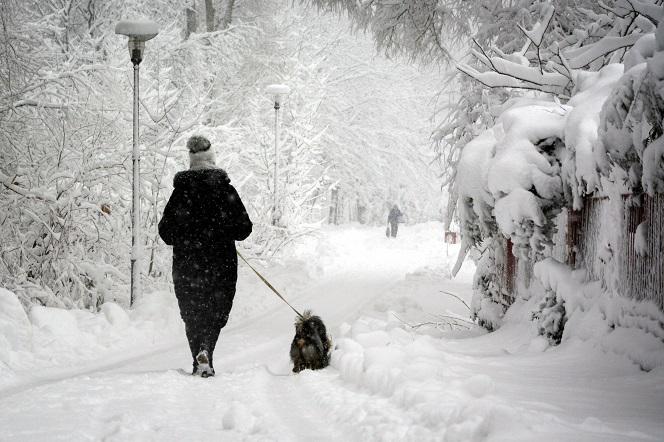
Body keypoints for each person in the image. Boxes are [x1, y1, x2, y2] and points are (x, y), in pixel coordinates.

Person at [158, 135, 252, 377]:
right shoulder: (225, 190)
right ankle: (206, 349)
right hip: (222, 264)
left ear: (191, 161)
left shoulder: (180, 193)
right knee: (216, 311)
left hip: (187, 264)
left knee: (192, 313)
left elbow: (165, 232)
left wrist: (187, 235)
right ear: (212, 160)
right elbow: (244, 229)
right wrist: (222, 230)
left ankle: (199, 357)